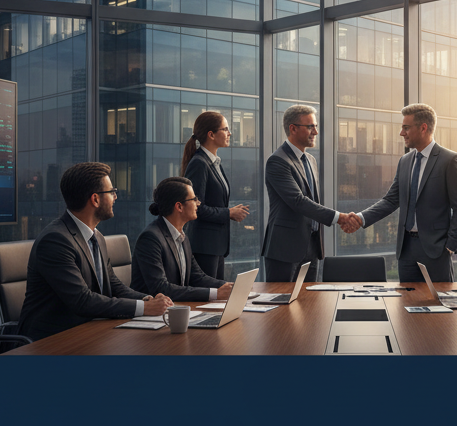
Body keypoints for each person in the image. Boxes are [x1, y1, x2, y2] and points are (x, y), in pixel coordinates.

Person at [17, 162, 171, 341]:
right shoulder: (55, 240)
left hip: (90, 331)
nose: (115, 197)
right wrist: (145, 308)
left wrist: (148, 299)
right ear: (95, 199)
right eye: (112, 192)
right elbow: (82, 300)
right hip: (52, 340)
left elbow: (114, 285)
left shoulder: (97, 237)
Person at [343, 103, 457, 283]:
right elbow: (390, 200)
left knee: (439, 299)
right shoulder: (405, 161)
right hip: (406, 250)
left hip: (436, 250)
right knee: (406, 300)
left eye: (406, 128)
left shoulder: (450, 160)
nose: (401, 133)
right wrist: (361, 218)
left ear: (423, 128)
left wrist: (451, 246)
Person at [261, 104, 358, 282]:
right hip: (285, 249)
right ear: (293, 128)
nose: (316, 132)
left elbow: (312, 201)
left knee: (310, 298)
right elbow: (298, 201)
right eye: (310, 126)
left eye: (316, 126)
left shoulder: (311, 160)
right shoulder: (278, 161)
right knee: (282, 298)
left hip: (312, 246)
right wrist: (340, 217)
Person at [132, 177, 235, 301]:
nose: (198, 203)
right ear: (179, 206)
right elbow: (161, 288)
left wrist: (231, 286)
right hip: (153, 310)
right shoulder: (150, 238)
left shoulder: (182, 237)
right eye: (194, 199)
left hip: (177, 308)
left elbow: (197, 277)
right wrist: (215, 294)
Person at [181, 110, 249, 280]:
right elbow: (196, 207)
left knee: (218, 293)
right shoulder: (199, 163)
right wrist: (228, 213)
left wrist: (229, 212)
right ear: (211, 134)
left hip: (216, 246)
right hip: (204, 246)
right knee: (210, 294)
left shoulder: (214, 162)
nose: (230, 133)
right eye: (225, 129)